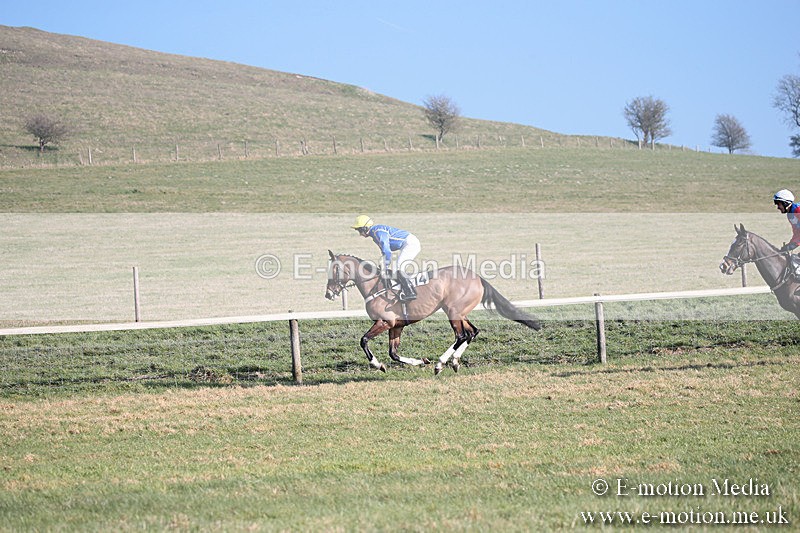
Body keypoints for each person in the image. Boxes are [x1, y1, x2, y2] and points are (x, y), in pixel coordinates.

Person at [351, 215, 420, 301]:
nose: (360, 234)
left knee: (398, 267)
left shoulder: (377, 232)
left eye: (360, 230)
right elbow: (385, 252)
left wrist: (385, 266)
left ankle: (410, 292)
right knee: (396, 269)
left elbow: (387, 251)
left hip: (410, 244)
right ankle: (402, 290)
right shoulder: (375, 233)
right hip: (407, 243)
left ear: (365, 228)